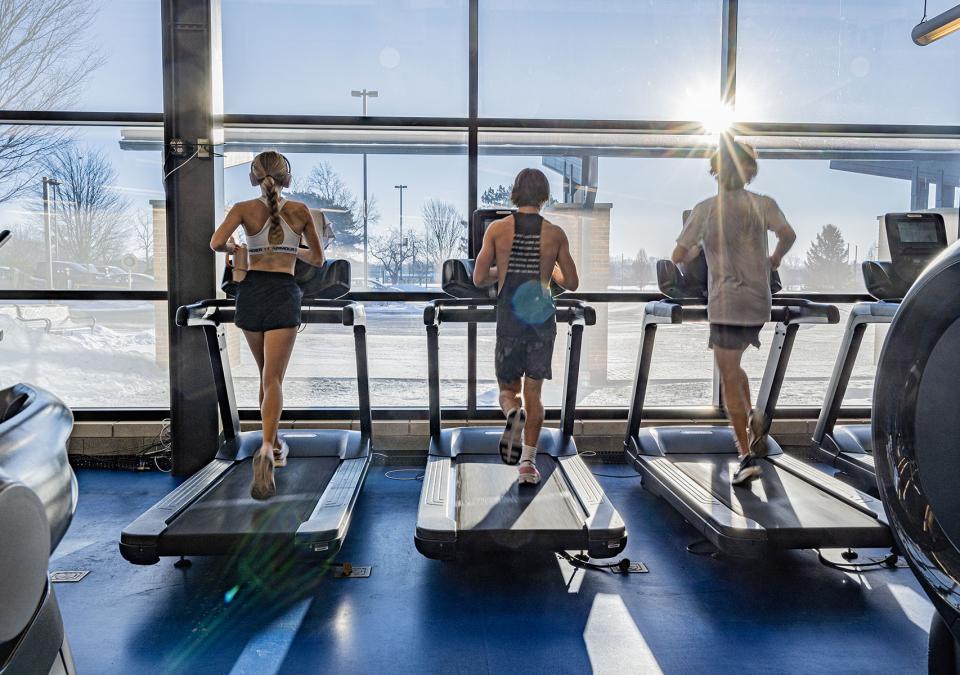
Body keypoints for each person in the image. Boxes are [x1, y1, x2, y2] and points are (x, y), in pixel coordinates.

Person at [671, 139, 796, 486]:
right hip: (759, 302)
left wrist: (697, 248)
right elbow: (788, 234)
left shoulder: (706, 208)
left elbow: (678, 256)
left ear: (716, 170)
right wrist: (774, 259)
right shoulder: (763, 204)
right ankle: (754, 414)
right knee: (733, 365)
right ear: (748, 172)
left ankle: (745, 456)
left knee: (727, 375)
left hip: (726, 302)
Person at [210, 151, 326, 499]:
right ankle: (267, 448)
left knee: (264, 374)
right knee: (273, 378)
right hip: (282, 292)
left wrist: (240, 247)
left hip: (251, 293)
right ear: (287, 178)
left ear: (253, 177)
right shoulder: (301, 211)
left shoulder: (243, 208)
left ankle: (273, 441)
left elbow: (216, 243)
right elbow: (318, 260)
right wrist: (294, 250)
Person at [473, 168, 579, 486]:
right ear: (544, 196)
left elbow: (479, 277)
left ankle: (511, 416)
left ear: (515, 193)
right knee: (534, 394)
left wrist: (502, 271)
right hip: (542, 323)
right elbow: (572, 282)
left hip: (509, 320)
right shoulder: (556, 234)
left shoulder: (497, 229)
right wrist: (550, 268)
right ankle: (528, 466)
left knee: (509, 391)